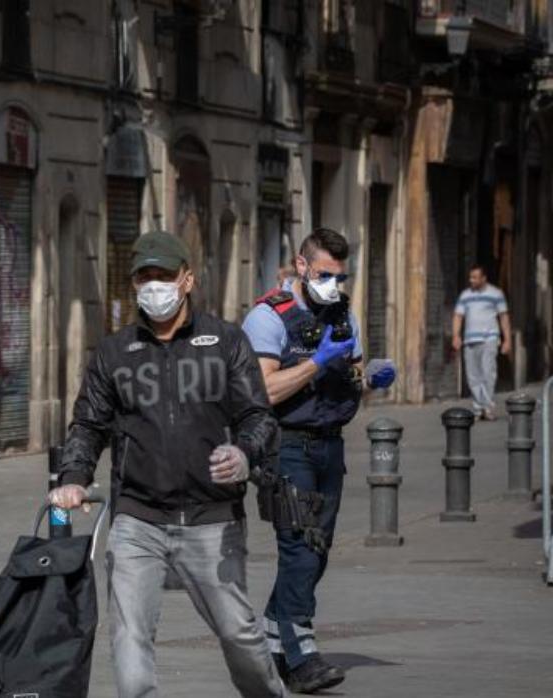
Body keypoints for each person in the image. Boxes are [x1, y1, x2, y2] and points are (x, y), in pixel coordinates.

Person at [49, 231, 287, 698]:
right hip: (138, 519)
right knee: (130, 642)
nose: (153, 285)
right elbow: (87, 425)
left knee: (239, 634)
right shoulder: (115, 354)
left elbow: (258, 416)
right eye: (144, 276)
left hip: (212, 519)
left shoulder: (225, 341)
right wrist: (74, 479)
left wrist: (244, 454)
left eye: (163, 275)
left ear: (187, 279)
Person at [241, 228, 396, 693]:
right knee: (300, 548)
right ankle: (302, 655)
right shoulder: (268, 317)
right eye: (326, 274)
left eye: (341, 275)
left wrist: (369, 376)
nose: (334, 283)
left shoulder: (341, 312)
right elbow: (263, 390)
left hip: (330, 444)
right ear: (302, 266)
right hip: (286, 445)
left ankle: (270, 646)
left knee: (316, 551)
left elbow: (349, 370)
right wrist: (316, 363)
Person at [452, 265, 511, 420]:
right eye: (470, 277)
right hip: (470, 340)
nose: (472, 280)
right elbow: (458, 316)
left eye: (475, 277)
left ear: (483, 278)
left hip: (489, 339)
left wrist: (507, 340)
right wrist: (456, 336)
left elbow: (503, 317)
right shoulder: (465, 295)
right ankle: (478, 408)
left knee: (488, 373)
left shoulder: (496, 294)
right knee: (473, 376)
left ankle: (488, 407)